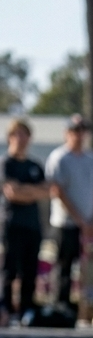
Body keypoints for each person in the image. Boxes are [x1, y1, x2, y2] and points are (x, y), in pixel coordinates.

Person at [45, 113, 93, 310]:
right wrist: (81, 221)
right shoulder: (59, 157)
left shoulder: (92, 159)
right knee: (65, 268)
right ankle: (62, 308)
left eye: (82, 131)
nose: (79, 135)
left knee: (91, 269)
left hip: (90, 225)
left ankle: (88, 311)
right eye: (75, 130)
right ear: (66, 133)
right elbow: (58, 191)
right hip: (66, 224)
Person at [1, 119, 48, 323]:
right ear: (10, 137)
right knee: (10, 269)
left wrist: (25, 191)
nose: (21, 139)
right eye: (16, 134)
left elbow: (47, 191)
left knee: (30, 270)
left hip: (33, 225)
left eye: (24, 135)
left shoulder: (35, 166)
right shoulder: (6, 164)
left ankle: (27, 310)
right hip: (12, 224)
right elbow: (12, 193)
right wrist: (32, 192)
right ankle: (6, 309)